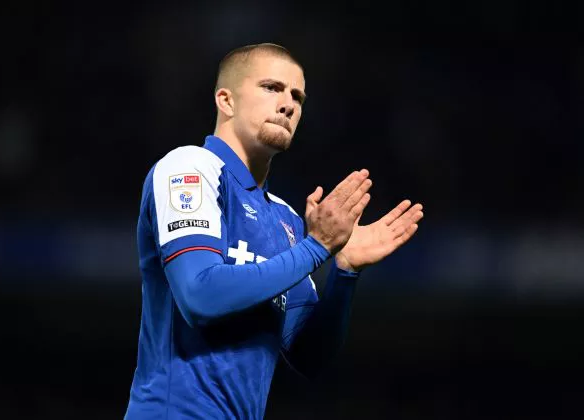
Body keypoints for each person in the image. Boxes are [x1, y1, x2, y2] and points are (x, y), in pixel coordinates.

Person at [124, 43, 424, 419]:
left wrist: (344, 270)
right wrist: (316, 248)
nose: (288, 104)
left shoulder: (283, 218)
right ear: (226, 100)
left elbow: (309, 356)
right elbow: (200, 295)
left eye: (297, 96)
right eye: (271, 87)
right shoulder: (190, 167)